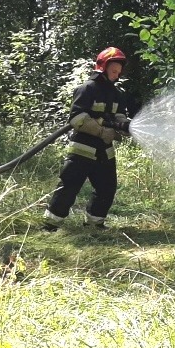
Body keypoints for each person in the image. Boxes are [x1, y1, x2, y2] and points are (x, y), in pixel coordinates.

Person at [43, 46, 131, 231]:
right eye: (114, 71)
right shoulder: (87, 89)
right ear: (103, 67)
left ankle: (94, 223)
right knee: (69, 187)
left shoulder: (117, 94)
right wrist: (101, 131)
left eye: (119, 72)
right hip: (83, 149)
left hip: (104, 151)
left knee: (107, 188)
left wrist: (125, 126)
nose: (117, 75)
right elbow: (76, 118)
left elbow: (119, 116)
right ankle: (51, 225)